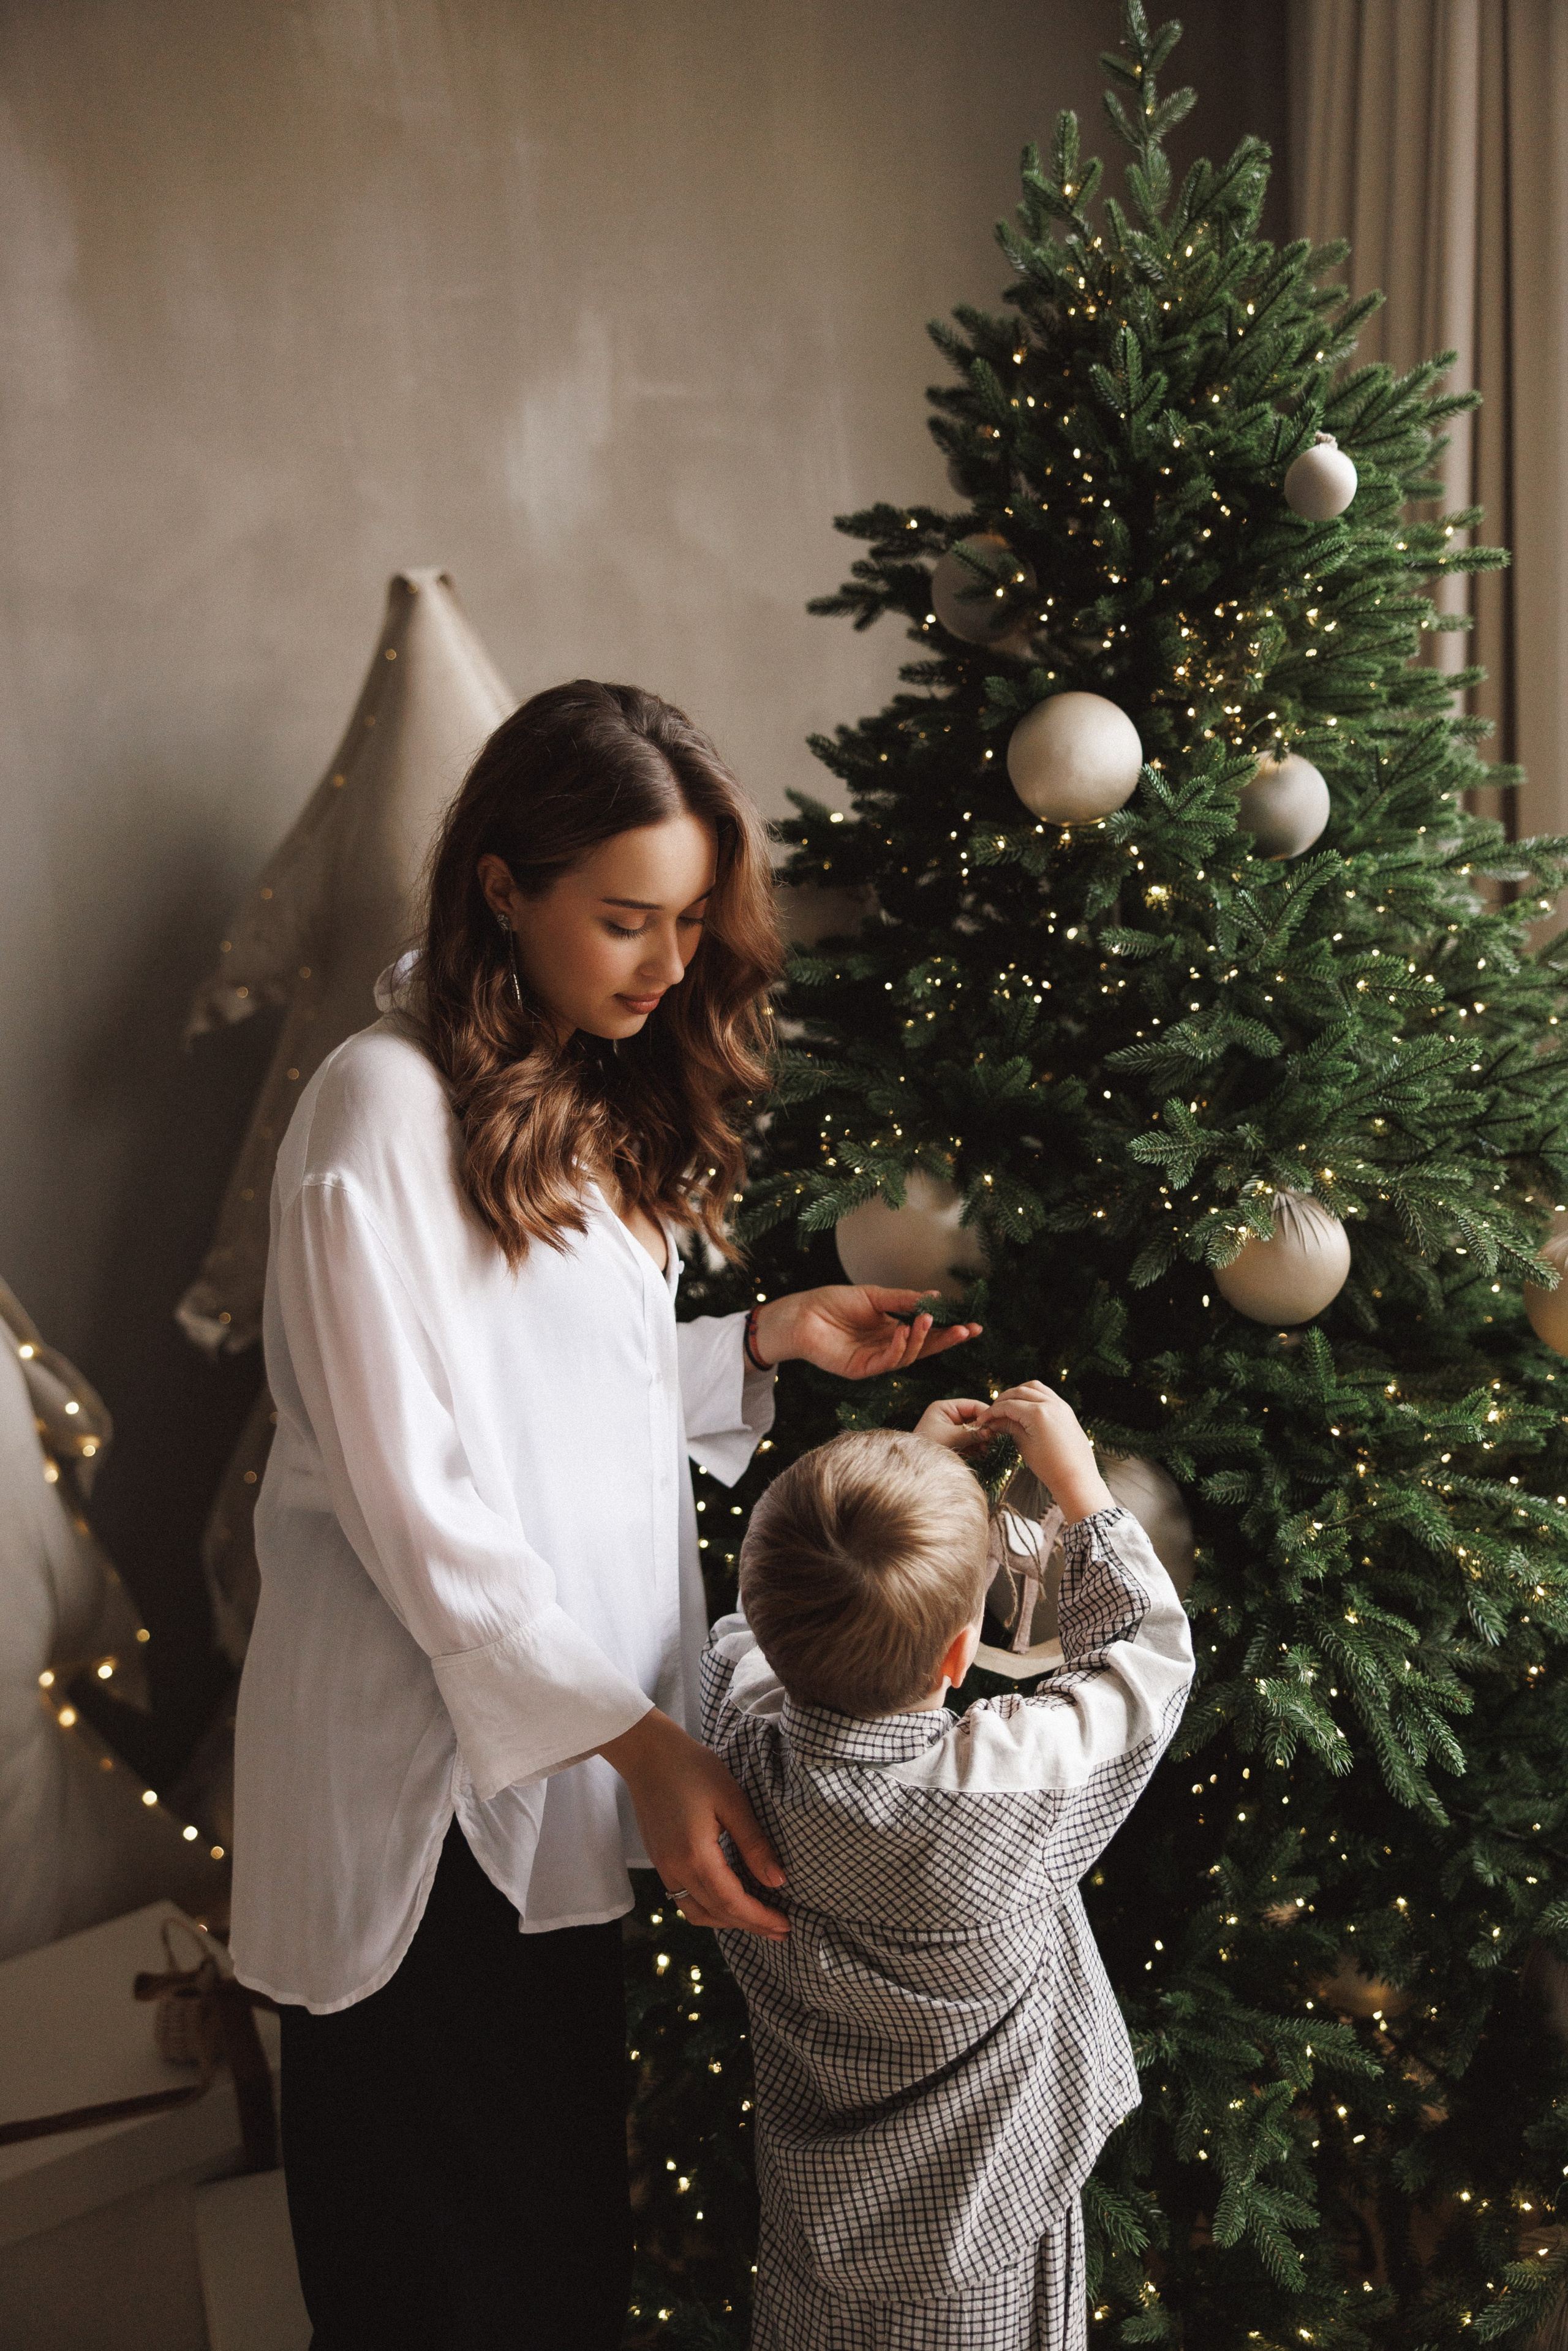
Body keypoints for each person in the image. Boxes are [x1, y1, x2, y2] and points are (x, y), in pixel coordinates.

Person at [228, 679, 981, 2351]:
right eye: (625, 917)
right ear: (501, 884)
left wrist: (765, 1337)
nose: (666, 960)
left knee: (553, 2254)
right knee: (446, 2277)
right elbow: (413, 1495)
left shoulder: (561, 1088)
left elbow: (558, 1390)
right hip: (424, 1805)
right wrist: (644, 1739)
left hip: (560, 1784)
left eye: (692, 919)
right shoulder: (377, 1105)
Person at [701, 1381, 1196, 2351]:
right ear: (962, 1650)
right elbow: (1147, 1659)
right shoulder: (1002, 1789)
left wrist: (905, 1466)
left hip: (816, 2238)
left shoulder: (739, 1740)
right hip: (988, 2234)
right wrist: (1080, 1484)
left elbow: (746, 1636)